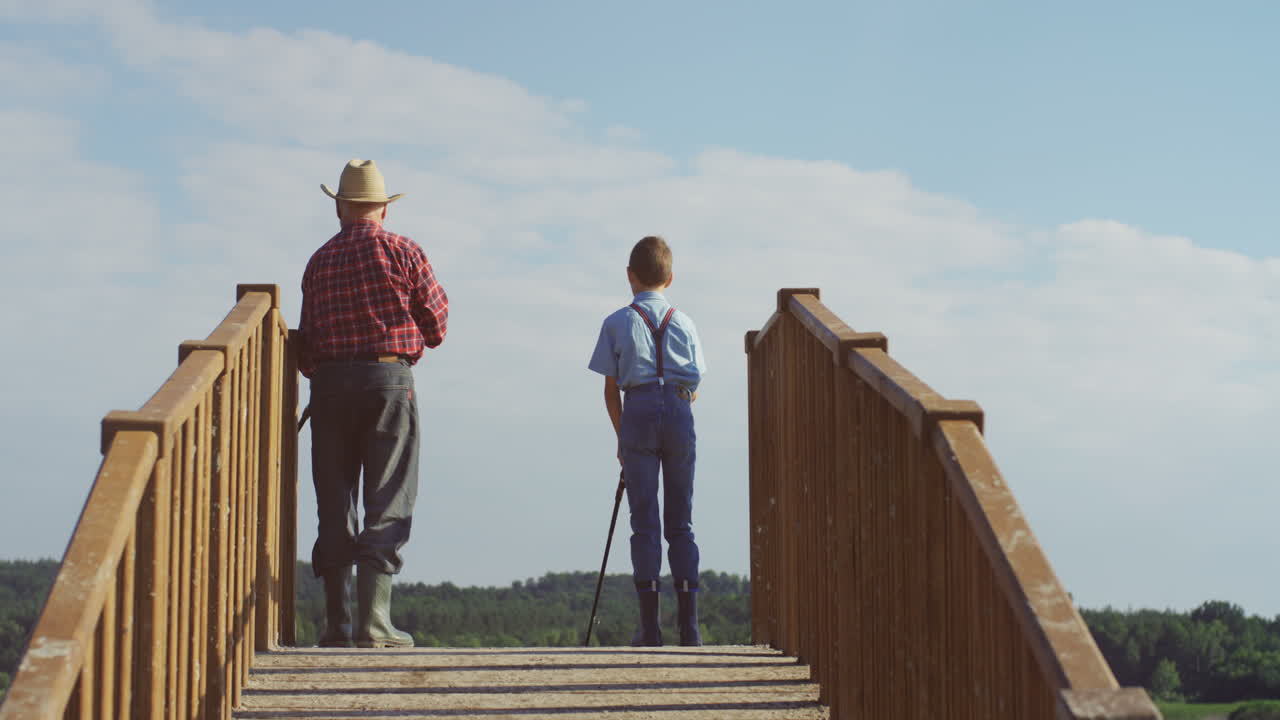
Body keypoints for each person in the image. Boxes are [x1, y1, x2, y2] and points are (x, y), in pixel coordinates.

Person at [299, 159, 448, 648]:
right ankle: (375, 622)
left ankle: (339, 623)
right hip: (389, 381)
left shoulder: (319, 261)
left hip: (332, 385)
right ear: (383, 208)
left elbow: (306, 349)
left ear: (341, 208)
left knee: (335, 499)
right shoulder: (405, 251)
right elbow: (437, 327)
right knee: (388, 498)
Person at [588, 235, 706, 646]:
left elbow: (609, 389)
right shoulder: (685, 322)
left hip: (636, 409)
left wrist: (623, 438)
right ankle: (689, 627)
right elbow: (695, 384)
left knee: (644, 522)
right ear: (670, 278)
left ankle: (650, 627)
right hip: (677, 408)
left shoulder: (616, 322)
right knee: (681, 521)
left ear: (630, 276)